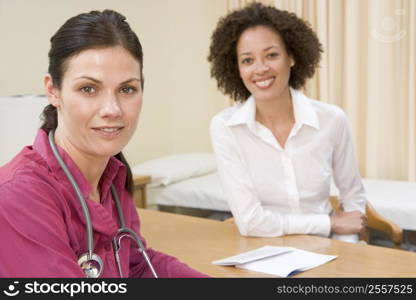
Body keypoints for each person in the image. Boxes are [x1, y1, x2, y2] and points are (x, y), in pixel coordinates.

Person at [0, 9, 207, 278]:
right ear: (53, 90)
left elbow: (136, 265)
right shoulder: (17, 196)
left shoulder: (112, 174)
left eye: (127, 89)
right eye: (88, 89)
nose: (112, 109)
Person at [208, 3, 367, 242]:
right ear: (237, 68)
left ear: (291, 56)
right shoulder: (225, 127)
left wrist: (351, 238)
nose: (260, 69)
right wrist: (329, 223)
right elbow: (250, 221)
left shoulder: (332, 119)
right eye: (247, 60)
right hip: (263, 248)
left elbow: (353, 196)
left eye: (271, 55)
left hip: (329, 244)